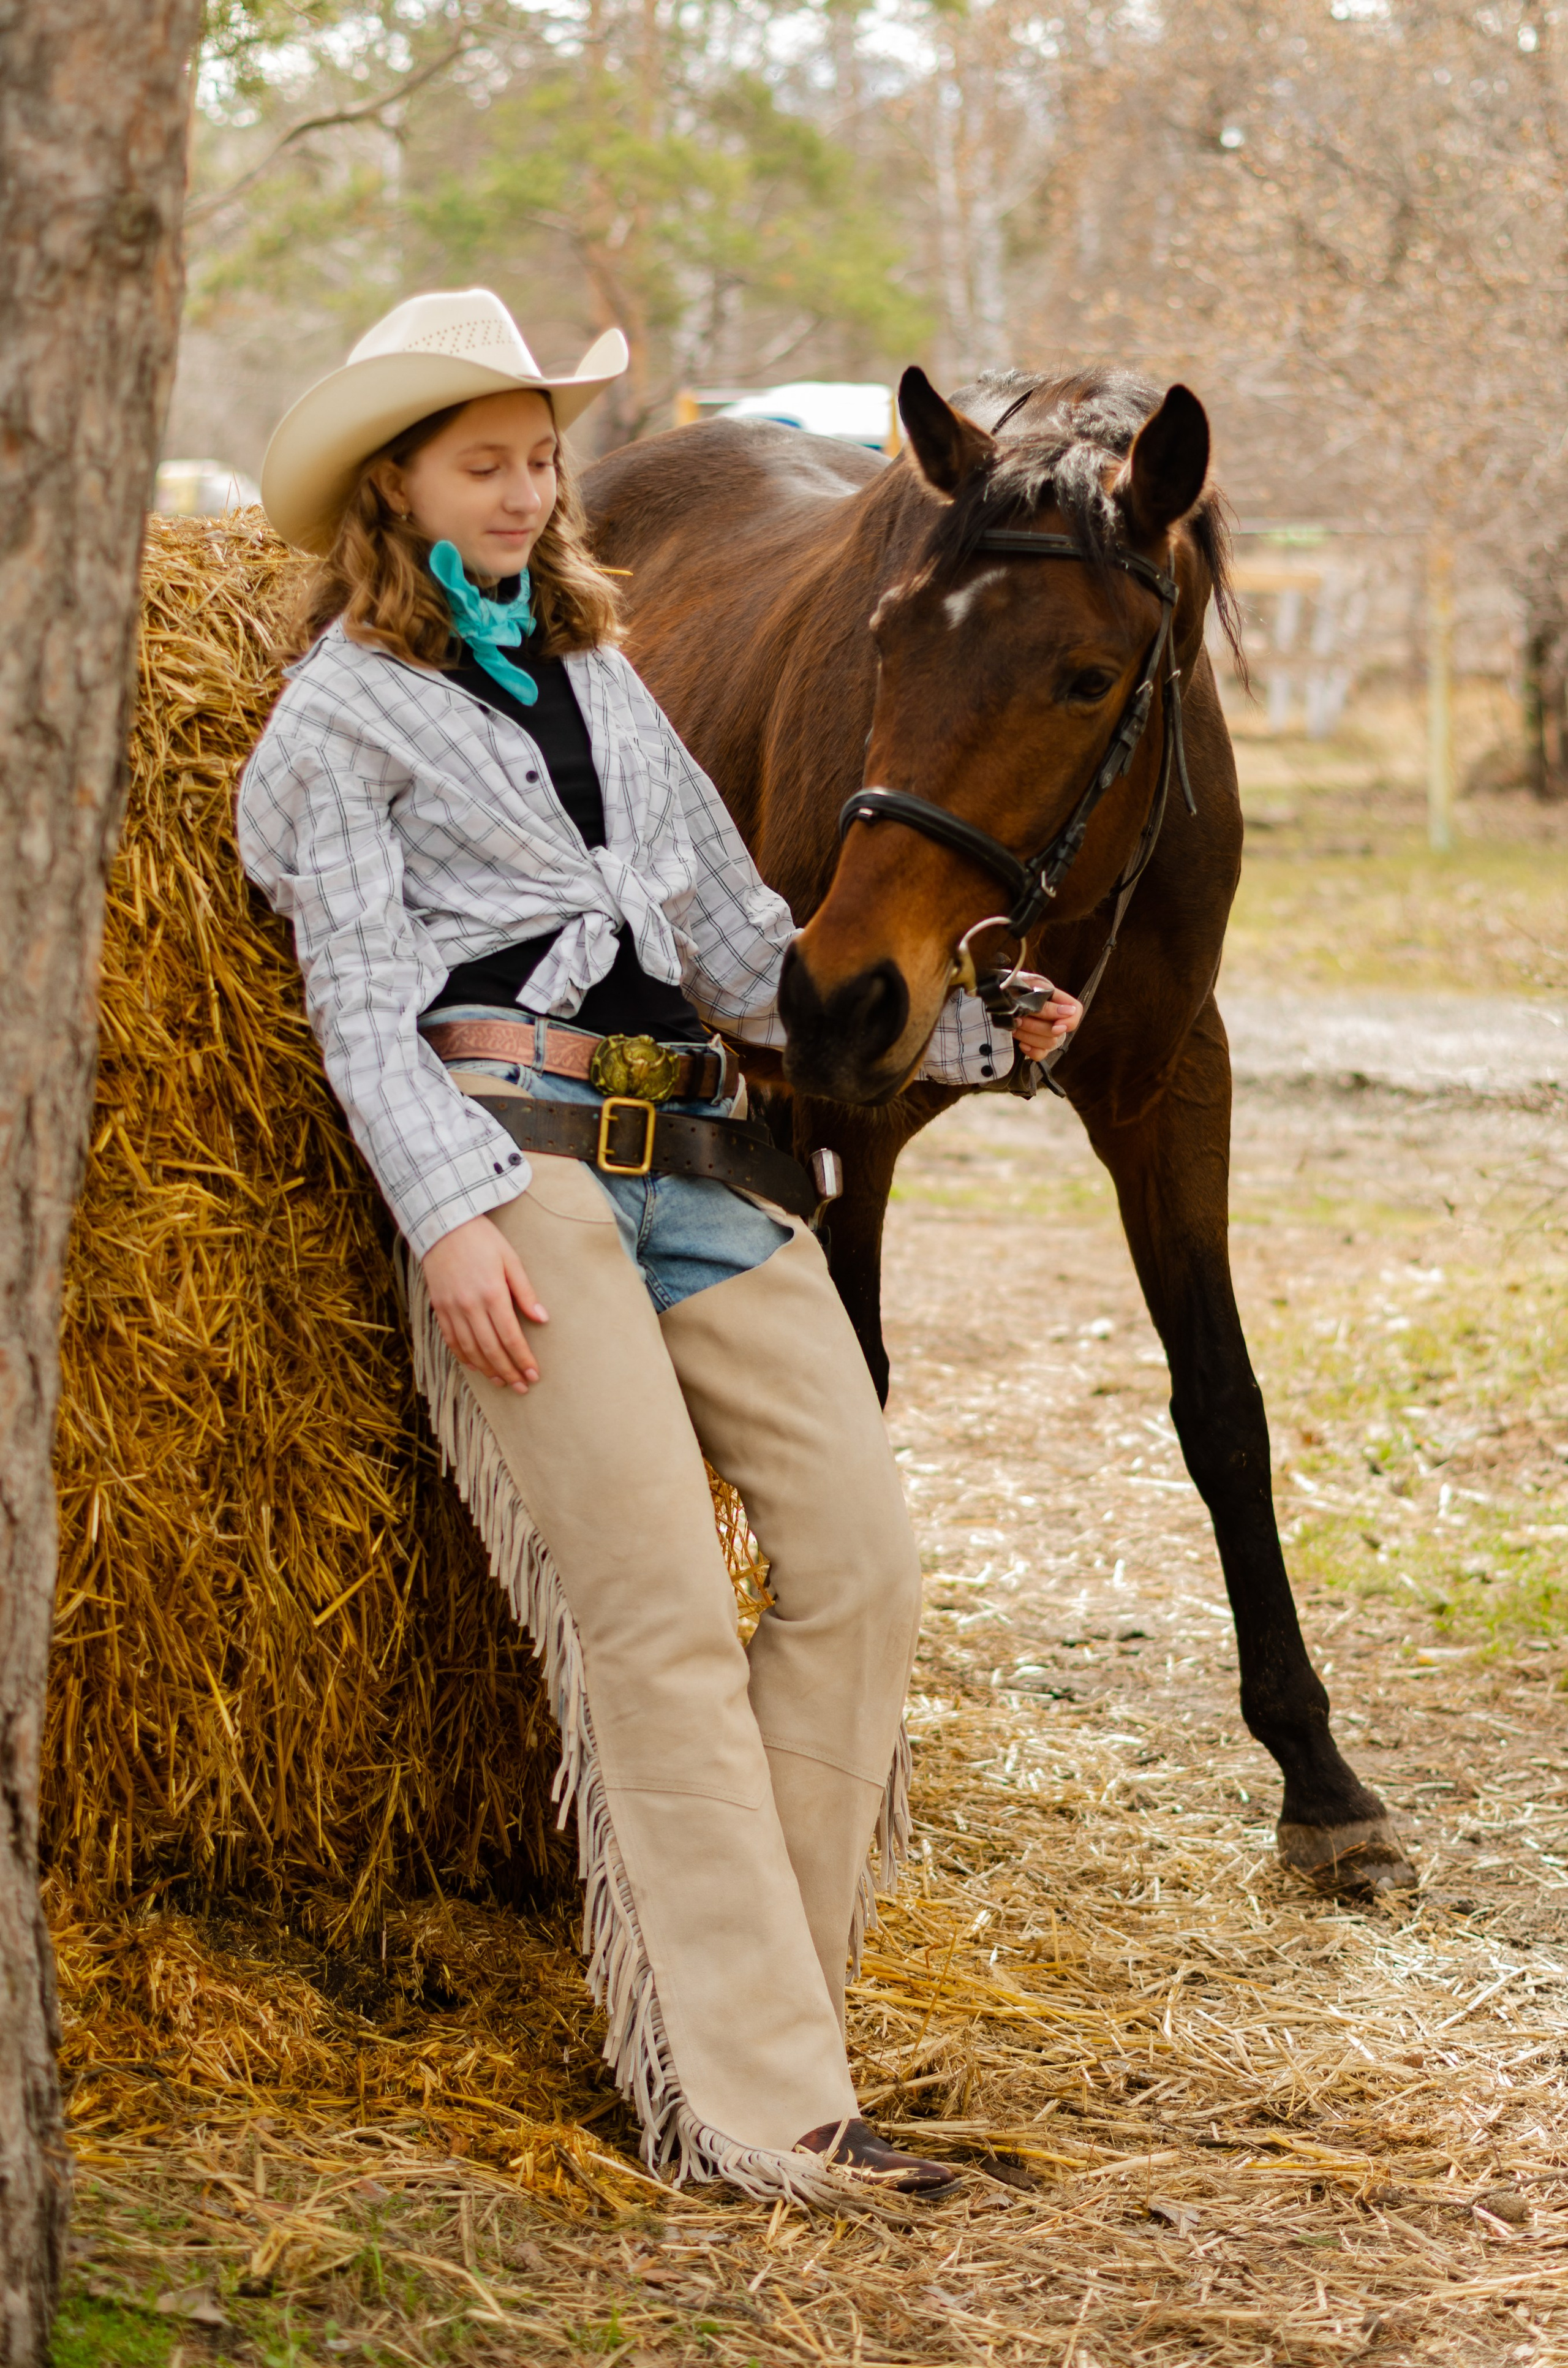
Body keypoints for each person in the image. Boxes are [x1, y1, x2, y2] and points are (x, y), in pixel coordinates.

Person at [237, 289, 1082, 2200]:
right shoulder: (332, 723)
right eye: (489, 459)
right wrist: (449, 1220)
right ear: (399, 485)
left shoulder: (606, 678)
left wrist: (968, 1033)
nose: (533, 488)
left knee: (860, 1556)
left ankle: (777, 2020)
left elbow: (732, 950)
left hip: (697, 1154)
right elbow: (362, 1007)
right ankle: (765, 2103)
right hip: (511, 1176)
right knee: (663, 1623)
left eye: (545, 454)